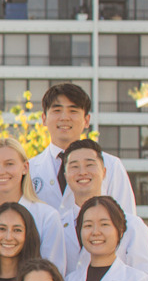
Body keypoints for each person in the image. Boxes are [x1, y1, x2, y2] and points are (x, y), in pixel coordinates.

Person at [58, 140, 148, 281]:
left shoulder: (132, 226)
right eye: (74, 166)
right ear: (66, 176)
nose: (82, 172)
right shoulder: (57, 226)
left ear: (104, 172)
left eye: (89, 164)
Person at [29, 83, 135, 213]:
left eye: (73, 111)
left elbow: (126, 219)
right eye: (57, 110)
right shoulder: (29, 169)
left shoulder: (112, 165)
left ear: (86, 120)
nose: (64, 118)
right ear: (44, 118)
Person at [0, 139, 68, 275]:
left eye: (9, 164)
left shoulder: (47, 217)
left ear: (25, 167)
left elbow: (54, 273)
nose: (1, 171)